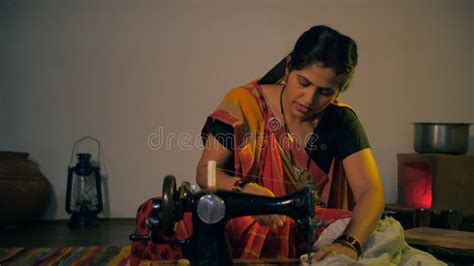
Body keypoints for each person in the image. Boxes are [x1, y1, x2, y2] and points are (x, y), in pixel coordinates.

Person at [196, 25, 385, 261]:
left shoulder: (341, 120)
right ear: (288, 68)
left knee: (386, 233)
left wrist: (349, 243)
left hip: (311, 231)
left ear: (338, 91)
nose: (309, 99)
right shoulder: (245, 103)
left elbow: (371, 191)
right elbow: (205, 172)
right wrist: (246, 189)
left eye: (325, 92)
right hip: (251, 220)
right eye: (303, 83)